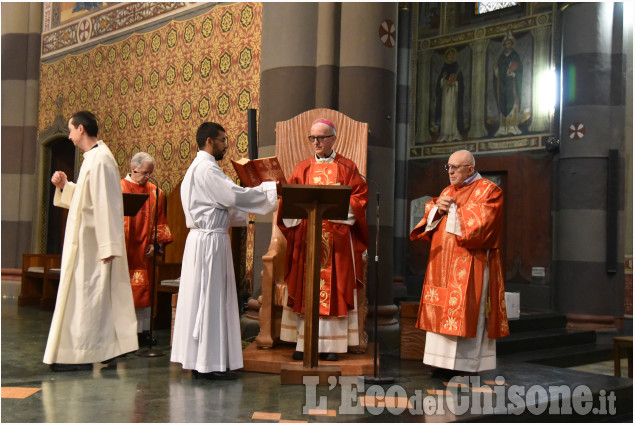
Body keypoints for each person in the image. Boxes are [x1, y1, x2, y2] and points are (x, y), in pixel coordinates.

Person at [170, 122, 279, 380]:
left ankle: (202, 361)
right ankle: (208, 365)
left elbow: (222, 204)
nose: (225, 145)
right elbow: (233, 197)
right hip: (210, 244)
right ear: (209, 141)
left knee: (202, 300)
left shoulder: (196, 168)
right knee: (210, 300)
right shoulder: (207, 168)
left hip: (202, 241)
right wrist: (271, 189)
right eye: (222, 140)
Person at [43, 110, 138, 372]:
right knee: (85, 298)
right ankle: (93, 351)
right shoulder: (92, 158)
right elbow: (88, 198)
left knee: (88, 298)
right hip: (85, 243)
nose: (70, 135)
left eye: (71, 130)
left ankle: (83, 356)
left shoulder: (102, 161)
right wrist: (65, 185)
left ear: (81, 129)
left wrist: (107, 245)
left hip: (94, 245)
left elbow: (106, 204)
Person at [410, 150, 508, 376]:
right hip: (442, 265)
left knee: (466, 312)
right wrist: (436, 208)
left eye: (455, 167)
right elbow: (430, 219)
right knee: (440, 312)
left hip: (470, 263)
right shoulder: (447, 190)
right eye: (448, 167)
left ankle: (465, 366)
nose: (450, 172)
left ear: (470, 169)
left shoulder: (490, 191)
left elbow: (485, 224)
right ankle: (440, 363)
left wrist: (452, 209)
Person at [278, 119, 369, 362]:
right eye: (312, 138)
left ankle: (332, 346)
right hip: (307, 238)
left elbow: (360, 198)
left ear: (333, 139)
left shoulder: (347, 167)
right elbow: (288, 200)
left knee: (335, 286)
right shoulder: (302, 168)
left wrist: (341, 207)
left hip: (336, 238)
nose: (316, 142)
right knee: (304, 285)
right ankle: (303, 342)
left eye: (321, 137)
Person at [121, 152, 173, 347]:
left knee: (145, 293)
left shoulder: (155, 192)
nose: (148, 177)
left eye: (150, 173)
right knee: (125, 293)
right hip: (125, 251)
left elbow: (160, 222)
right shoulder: (120, 187)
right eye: (144, 173)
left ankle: (142, 332)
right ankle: (125, 333)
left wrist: (156, 244)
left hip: (145, 251)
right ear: (133, 168)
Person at [493, 31, 523, 136]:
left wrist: (514, 74)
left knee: (512, 102)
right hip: (502, 86)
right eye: (505, 44)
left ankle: (512, 127)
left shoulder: (515, 56)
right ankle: (503, 127)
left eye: (509, 43)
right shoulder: (501, 58)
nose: (507, 46)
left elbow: (520, 71)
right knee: (503, 103)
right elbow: (497, 73)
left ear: (512, 44)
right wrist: (496, 69)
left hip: (512, 85)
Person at [435, 47, 464, 142]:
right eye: (449, 55)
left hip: (453, 95)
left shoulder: (457, 67)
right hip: (445, 96)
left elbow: (461, 83)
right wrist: (444, 80)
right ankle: (445, 133)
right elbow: (440, 84)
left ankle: (453, 133)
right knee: (446, 114)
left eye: (452, 55)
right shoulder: (444, 68)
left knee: (453, 113)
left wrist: (455, 83)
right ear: (446, 56)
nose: (451, 57)